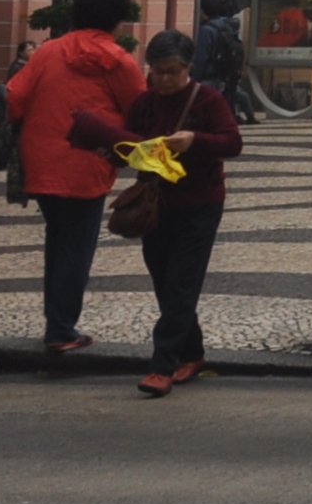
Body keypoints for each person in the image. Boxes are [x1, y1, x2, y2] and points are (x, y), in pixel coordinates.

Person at [69, 29, 240, 398]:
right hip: (156, 204)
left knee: (181, 284)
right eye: (157, 71)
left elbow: (232, 141)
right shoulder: (144, 103)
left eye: (171, 71)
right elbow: (134, 148)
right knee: (165, 282)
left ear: (188, 67)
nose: (163, 79)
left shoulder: (208, 100)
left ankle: (161, 367)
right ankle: (192, 354)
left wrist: (195, 140)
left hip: (201, 204)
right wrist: (110, 149)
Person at [0, 0, 146, 355]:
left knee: (58, 239)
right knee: (77, 246)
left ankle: (56, 320)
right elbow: (140, 110)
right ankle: (61, 328)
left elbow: (14, 97)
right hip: (89, 159)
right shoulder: (119, 60)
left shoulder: (47, 51)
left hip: (43, 158)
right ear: (116, 20)